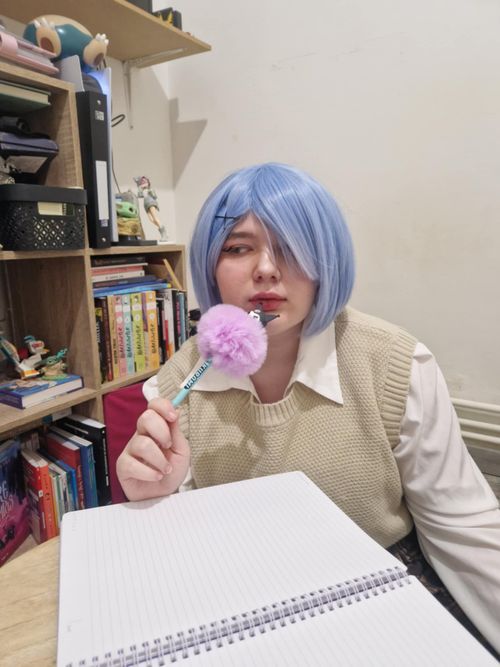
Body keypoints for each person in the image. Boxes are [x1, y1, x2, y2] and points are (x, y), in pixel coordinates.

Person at [117, 163, 500, 655]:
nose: (266, 269)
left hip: (382, 593)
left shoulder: (395, 365)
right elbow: (177, 557)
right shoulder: (176, 384)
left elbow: (464, 527)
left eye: (292, 246)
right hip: (245, 604)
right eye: (238, 248)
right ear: (211, 265)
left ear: (327, 263)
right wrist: (155, 498)